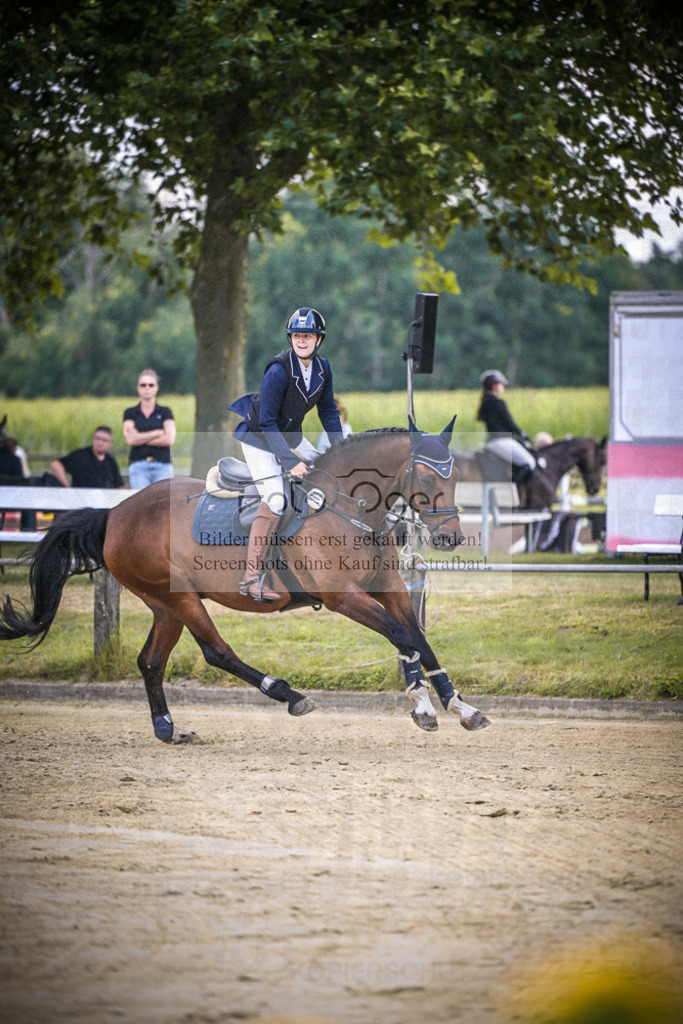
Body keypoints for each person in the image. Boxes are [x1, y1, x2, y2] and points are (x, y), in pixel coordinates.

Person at [229, 306, 343, 601]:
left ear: (319, 340)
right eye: (296, 335)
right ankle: (250, 578)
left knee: (324, 471)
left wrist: (341, 448)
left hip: (290, 435)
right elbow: (266, 422)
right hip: (258, 438)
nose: (301, 340)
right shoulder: (279, 370)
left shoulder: (323, 368)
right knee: (276, 499)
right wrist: (291, 462)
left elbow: (329, 411)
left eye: (307, 335)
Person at [476, 369, 539, 483]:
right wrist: (523, 435)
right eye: (501, 384)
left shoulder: (485, 403)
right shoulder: (499, 403)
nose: (503, 387)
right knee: (529, 463)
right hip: (502, 441)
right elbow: (510, 424)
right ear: (494, 386)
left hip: (491, 442)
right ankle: (512, 487)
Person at [123, 369, 176, 490]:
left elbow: (169, 439)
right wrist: (158, 433)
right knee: (140, 504)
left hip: (163, 466)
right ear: (138, 388)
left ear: (156, 388)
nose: (147, 388)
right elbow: (130, 440)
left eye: (151, 385)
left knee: (163, 504)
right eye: (143, 385)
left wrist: (140, 437)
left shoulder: (165, 412)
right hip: (138, 466)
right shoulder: (130, 413)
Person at [50, 426, 124, 488]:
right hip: (83, 500)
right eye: (98, 439)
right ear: (93, 439)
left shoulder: (111, 461)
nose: (100, 443)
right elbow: (56, 465)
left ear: (110, 443)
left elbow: (119, 486)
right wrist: (67, 487)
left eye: (104, 440)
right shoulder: (80, 455)